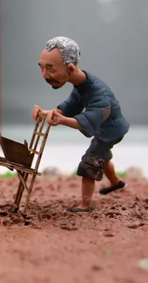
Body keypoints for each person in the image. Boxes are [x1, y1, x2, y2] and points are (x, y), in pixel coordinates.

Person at [33, 37, 130, 213]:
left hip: (111, 130)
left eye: (50, 69)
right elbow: (70, 107)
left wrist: (61, 120)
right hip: (103, 127)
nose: (45, 75)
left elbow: (85, 122)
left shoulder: (101, 95)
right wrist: (45, 113)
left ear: (70, 68)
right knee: (103, 156)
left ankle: (86, 205)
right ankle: (116, 183)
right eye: (41, 68)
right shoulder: (81, 85)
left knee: (89, 163)